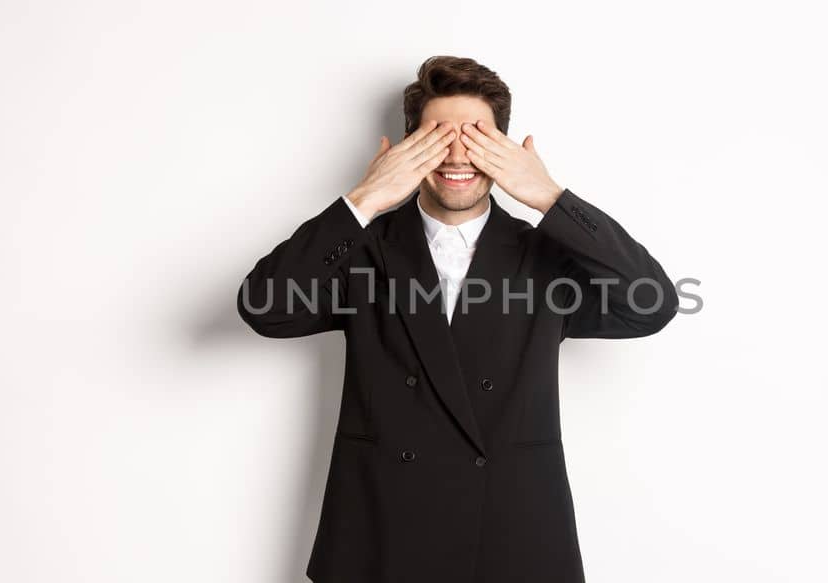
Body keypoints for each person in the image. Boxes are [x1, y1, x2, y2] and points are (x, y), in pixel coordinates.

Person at [237, 55, 678, 583]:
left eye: (477, 136)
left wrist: (550, 197)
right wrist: (364, 200)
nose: (457, 154)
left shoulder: (545, 256)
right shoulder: (365, 249)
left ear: (507, 152)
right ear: (404, 149)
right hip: (382, 535)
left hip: (512, 538)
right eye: (436, 135)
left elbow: (651, 303)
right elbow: (265, 307)